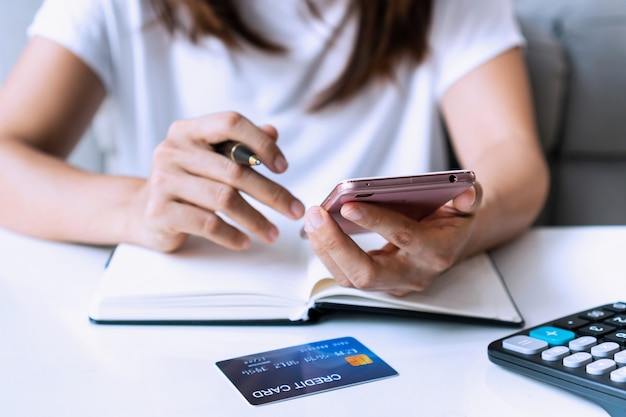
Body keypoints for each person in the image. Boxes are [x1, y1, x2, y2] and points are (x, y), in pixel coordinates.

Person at [0, 0, 548, 296]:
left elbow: (513, 158)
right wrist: (136, 208)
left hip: (392, 312)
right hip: (174, 308)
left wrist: (463, 229)